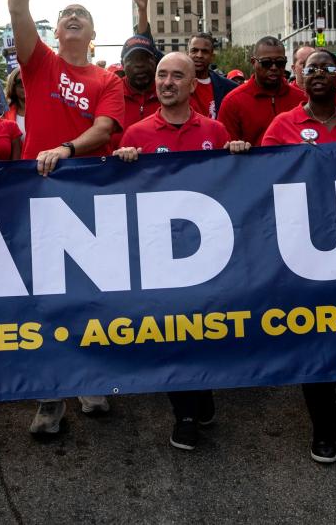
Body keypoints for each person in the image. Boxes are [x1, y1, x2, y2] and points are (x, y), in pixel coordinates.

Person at [9, 0, 125, 434]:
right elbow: (17, 5)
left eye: (82, 14)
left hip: (89, 194)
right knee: (43, 296)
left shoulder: (106, 78)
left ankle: (90, 380)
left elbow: (104, 130)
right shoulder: (38, 65)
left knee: (89, 291)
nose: (73, 17)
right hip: (38, 192)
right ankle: (49, 396)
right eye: (65, 14)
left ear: (94, 34)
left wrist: (65, 147)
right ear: (54, 32)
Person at [112, 52, 249, 451]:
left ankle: (202, 392)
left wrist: (240, 156)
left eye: (177, 76)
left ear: (193, 85)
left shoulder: (217, 131)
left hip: (208, 256)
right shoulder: (136, 134)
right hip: (159, 256)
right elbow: (121, 199)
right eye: (161, 75)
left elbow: (236, 190)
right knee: (171, 334)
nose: (167, 82)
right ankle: (184, 415)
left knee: (202, 332)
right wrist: (122, 165)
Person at [261, 49, 336, 463]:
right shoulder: (282, 124)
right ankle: (325, 430)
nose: (320, 75)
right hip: (301, 247)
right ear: (301, 78)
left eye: (328, 68)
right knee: (316, 337)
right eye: (312, 69)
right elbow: (262, 181)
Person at [218, 36, 305, 147]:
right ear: (253, 62)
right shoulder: (233, 101)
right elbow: (223, 147)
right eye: (266, 63)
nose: (274, 67)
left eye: (280, 63)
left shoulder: (302, 99)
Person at [111, 34, 160, 150]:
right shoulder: (110, 93)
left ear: (155, 61)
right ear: (122, 64)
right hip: (118, 166)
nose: (139, 64)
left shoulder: (169, 92)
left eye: (145, 58)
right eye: (131, 59)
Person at [187, 33, 237, 119]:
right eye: (194, 50)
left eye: (205, 51)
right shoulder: (176, 84)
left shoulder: (230, 89)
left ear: (212, 57)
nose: (199, 55)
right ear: (187, 53)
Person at [2, 66, 26, 140]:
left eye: (29, 80)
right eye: (20, 82)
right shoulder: (5, 114)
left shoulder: (45, 109)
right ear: (13, 86)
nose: (25, 85)